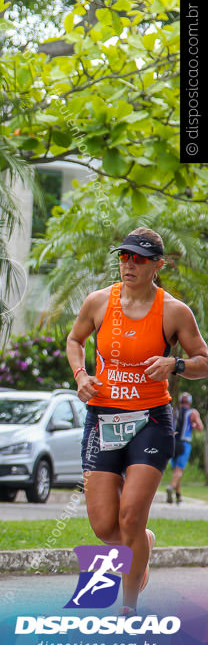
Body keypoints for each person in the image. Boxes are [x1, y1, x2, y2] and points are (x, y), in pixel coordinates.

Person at [67, 227, 208, 615]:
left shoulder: (174, 311)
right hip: (102, 418)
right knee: (104, 526)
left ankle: (128, 606)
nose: (129, 264)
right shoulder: (98, 303)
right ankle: (142, 544)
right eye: (125, 256)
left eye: (140, 258)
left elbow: (204, 361)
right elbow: (75, 340)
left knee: (130, 514)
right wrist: (81, 376)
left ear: (158, 265)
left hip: (150, 421)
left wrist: (174, 363)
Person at [167, 392, 203, 504]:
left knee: (175, 473)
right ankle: (171, 488)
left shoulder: (175, 411)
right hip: (184, 443)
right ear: (190, 401)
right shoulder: (193, 413)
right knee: (179, 471)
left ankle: (178, 497)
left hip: (173, 443)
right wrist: (194, 425)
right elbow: (200, 428)